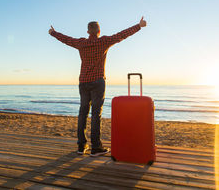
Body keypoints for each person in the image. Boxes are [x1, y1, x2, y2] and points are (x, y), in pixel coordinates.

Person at [49, 17, 147, 156]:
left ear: (88, 31)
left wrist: (53, 33)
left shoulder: (81, 43)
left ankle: (81, 146)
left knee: (82, 113)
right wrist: (139, 26)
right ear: (99, 31)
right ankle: (95, 147)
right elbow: (121, 35)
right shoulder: (103, 41)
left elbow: (66, 39)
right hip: (97, 82)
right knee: (96, 114)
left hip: (83, 82)